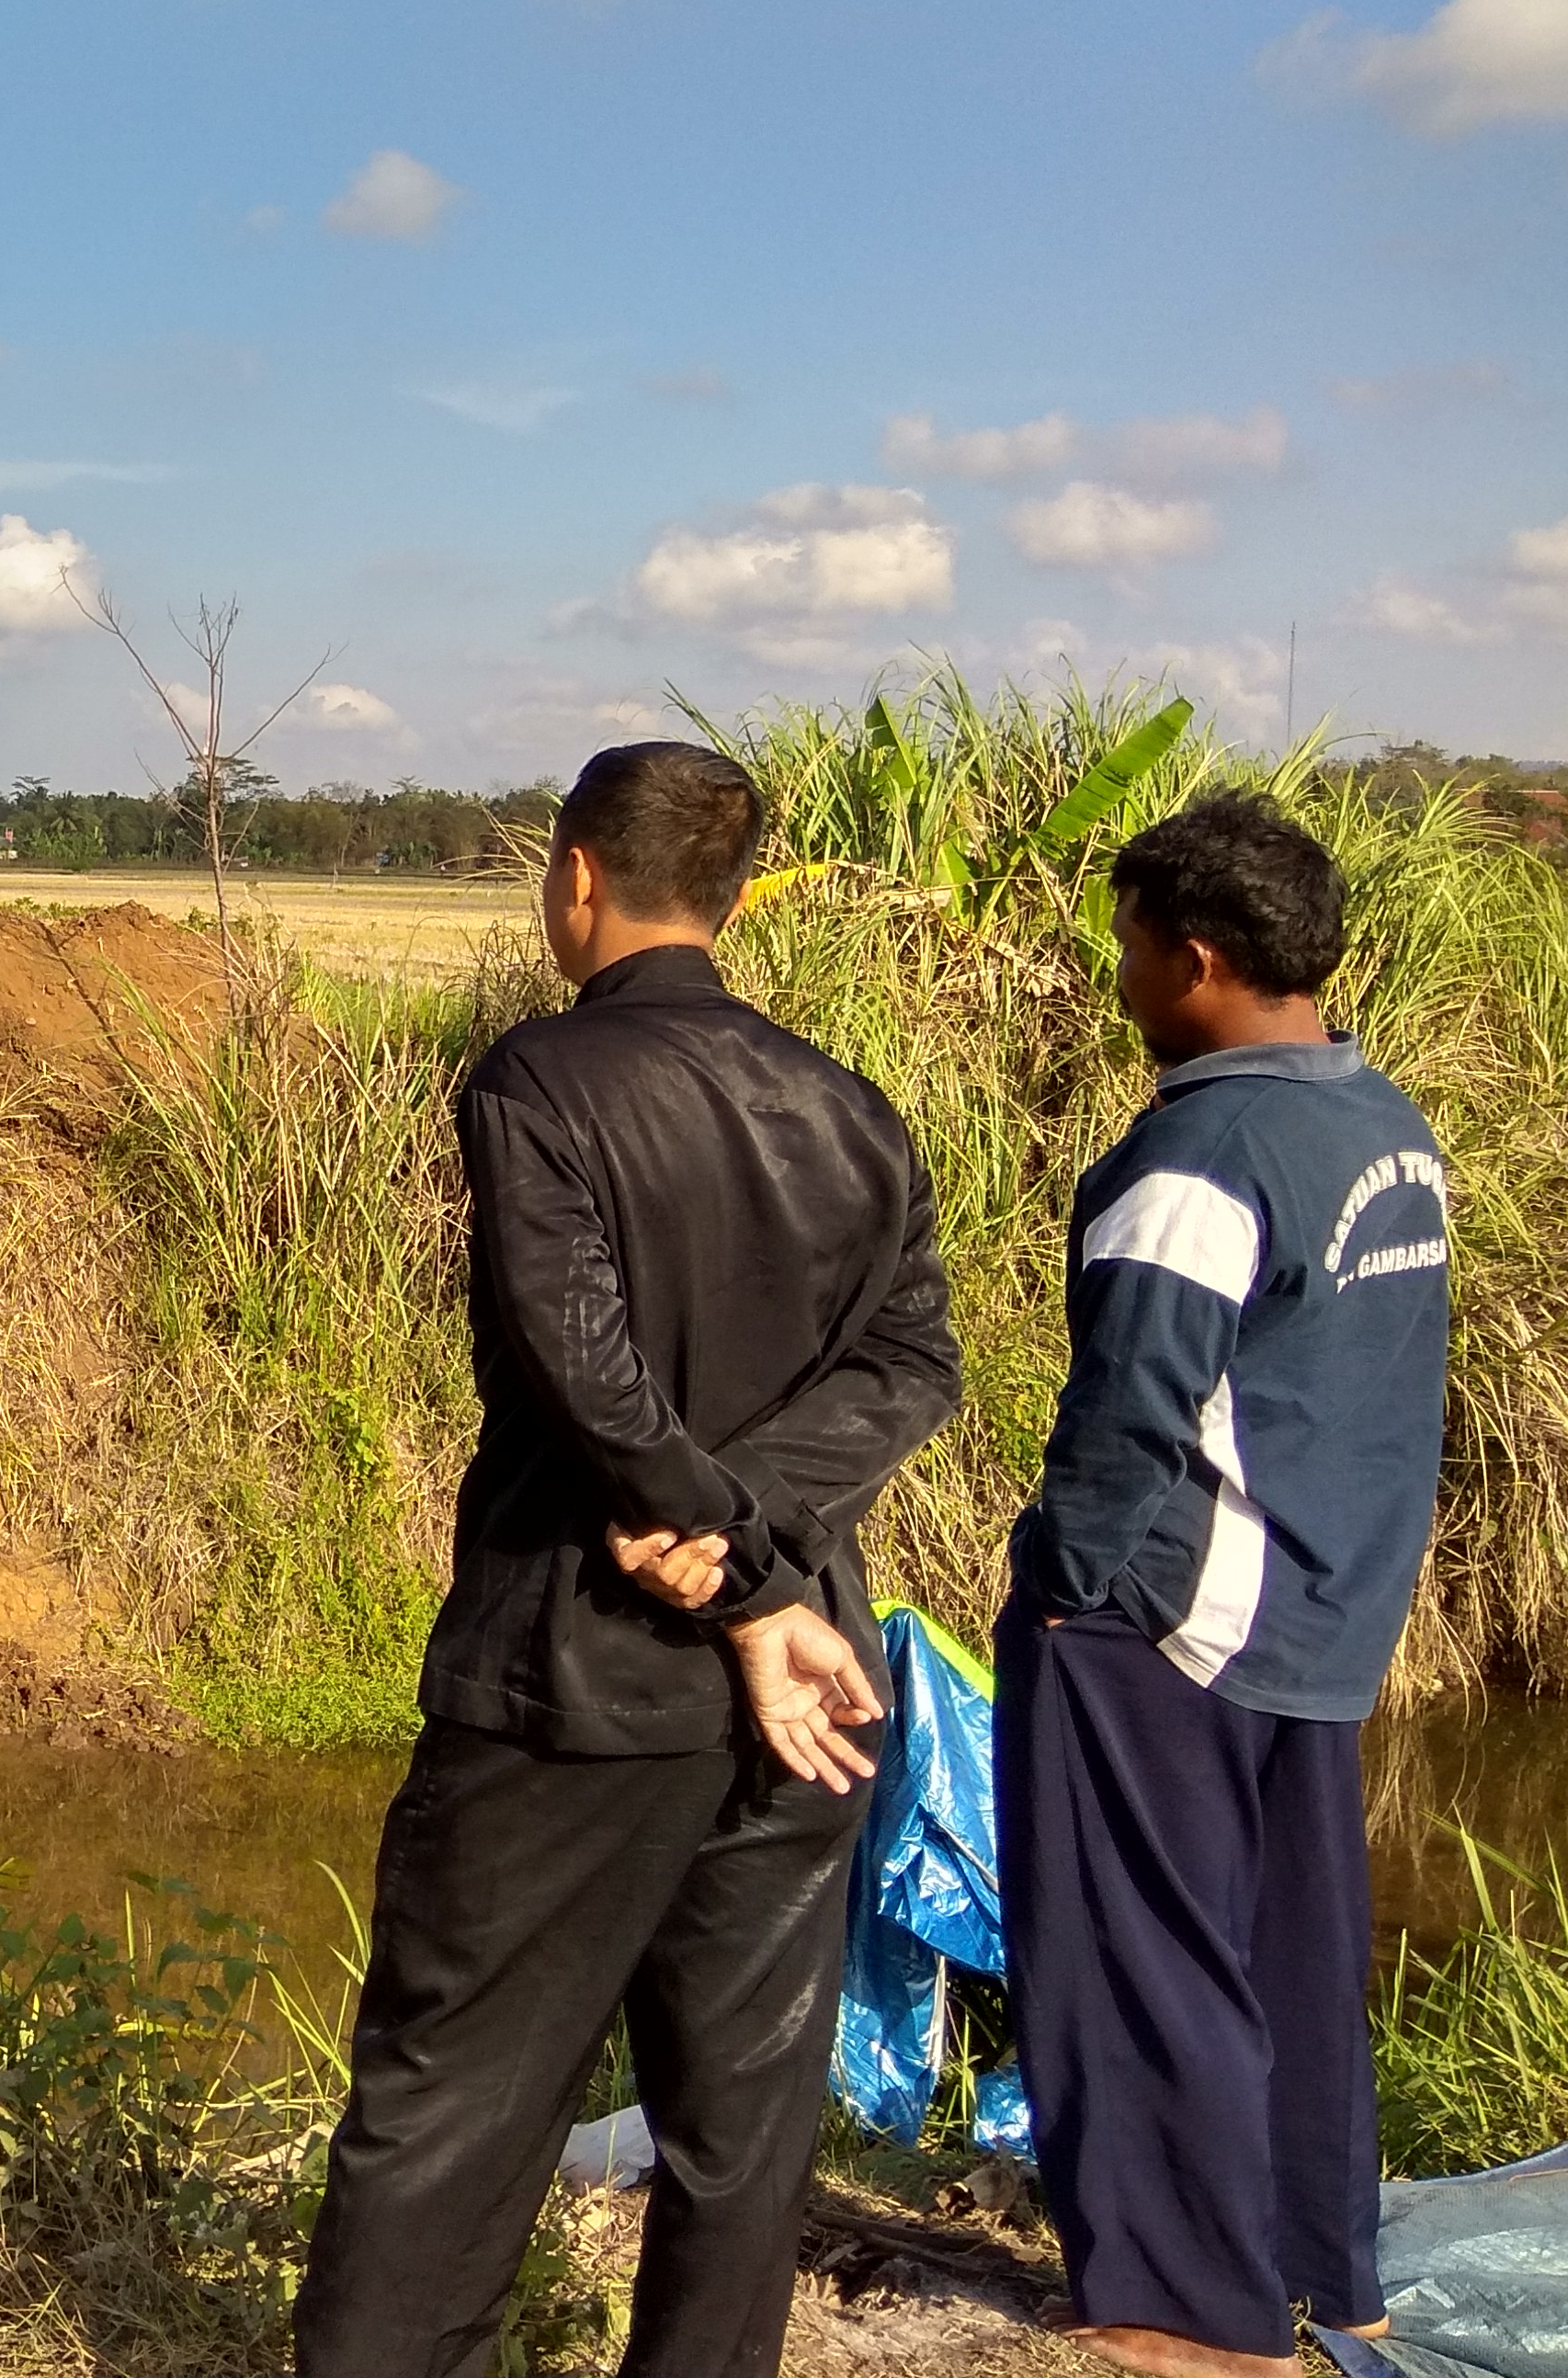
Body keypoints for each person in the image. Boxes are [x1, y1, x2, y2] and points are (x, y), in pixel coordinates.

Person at [294, 741, 962, 2378]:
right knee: (742, 2136)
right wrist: (761, 1542)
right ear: (727, 899)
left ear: (578, 878)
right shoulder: (852, 1112)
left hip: (576, 1686)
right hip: (812, 1687)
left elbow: (580, 1371)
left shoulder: (539, 1084)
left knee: (450, 2106)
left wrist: (708, 1543)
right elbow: (913, 1362)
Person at [997, 794, 1449, 2378]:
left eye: (1130, 946)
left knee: (1140, 1952)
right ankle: (1331, 2271)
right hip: (1319, 1616)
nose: (1118, 975)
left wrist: (1061, 1582)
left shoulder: (1201, 1149)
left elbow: (1128, 1406)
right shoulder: (1382, 1122)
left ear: (1195, 959)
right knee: (1296, 1954)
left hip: (1169, 1618)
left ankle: (1190, 2311)